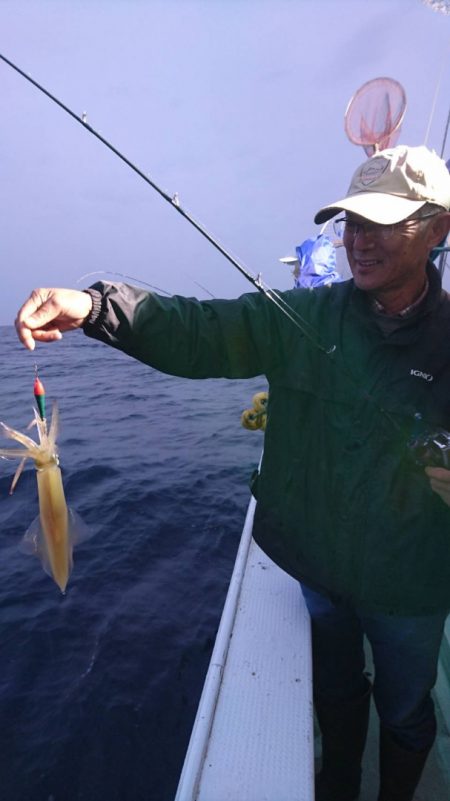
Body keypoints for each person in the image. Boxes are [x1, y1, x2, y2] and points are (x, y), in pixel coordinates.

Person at [15, 144, 450, 801]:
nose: (359, 241)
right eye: (351, 223)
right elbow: (201, 331)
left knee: (406, 708)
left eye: (381, 224)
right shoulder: (306, 316)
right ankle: (337, 784)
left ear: (437, 227)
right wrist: (97, 307)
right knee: (334, 688)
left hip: (410, 583)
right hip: (323, 570)